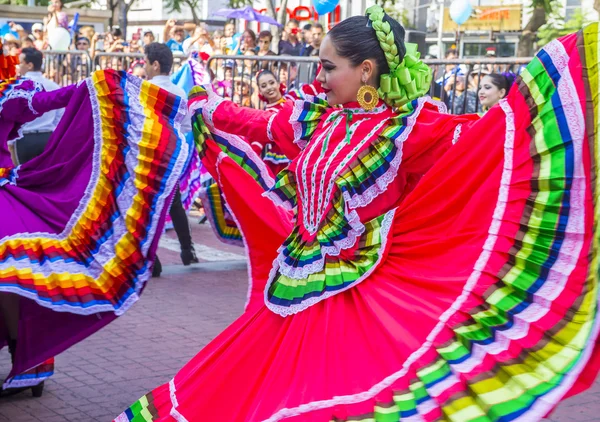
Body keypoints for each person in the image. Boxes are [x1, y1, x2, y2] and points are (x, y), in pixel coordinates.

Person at [118, 8, 600, 420]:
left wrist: (558, 82)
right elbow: (251, 122)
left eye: (328, 68)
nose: (318, 78)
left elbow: (486, 149)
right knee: (235, 389)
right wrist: (182, 104)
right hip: (292, 295)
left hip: (361, 299)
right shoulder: (314, 119)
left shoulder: (409, 129)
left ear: (365, 70)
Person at [0, 49, 190, 397]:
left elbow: (57, 97)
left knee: (13, 275)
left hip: (4, 197)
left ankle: (31, 361)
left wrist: (99, 86)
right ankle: (32, 360)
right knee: (11, 280)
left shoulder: (8, 95)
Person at [144, 42, 199, 276]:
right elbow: (186, 126)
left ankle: (151, 258)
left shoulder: (144, 90)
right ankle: (188, 249)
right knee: (173, 201)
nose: (143, 66)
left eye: (145, 61)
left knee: (147, 206)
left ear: (155, 65)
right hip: (171, 153)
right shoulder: (179, 92)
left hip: (148, 153)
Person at [13, 48, 62, 165]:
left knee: (22, 178)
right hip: (47, 136)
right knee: (45, 178)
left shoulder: (17, 86)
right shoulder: (53, 86)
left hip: (25, 138)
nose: (18, 66)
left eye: (20, 63)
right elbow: (60, 115)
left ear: (29, 65)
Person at [252, 69, 289, 175]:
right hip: (282, 163)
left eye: (271, 83)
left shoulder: (292, 99)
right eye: (264, 86)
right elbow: (258, 141)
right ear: (260, 90)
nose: (269, 88)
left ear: (278, 83)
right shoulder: (267, 116)